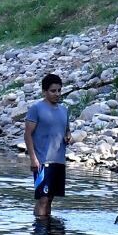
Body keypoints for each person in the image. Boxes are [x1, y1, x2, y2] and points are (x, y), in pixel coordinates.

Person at [25, 73, 71, 219]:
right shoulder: (36, 109)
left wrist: (68, 136)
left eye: (59, 90)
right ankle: (39, 232)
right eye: (53, 91)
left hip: (59, 160)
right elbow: (27, 135)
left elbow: (66, 130)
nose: (57, 94)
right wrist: (33, 159)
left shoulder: (64, 110)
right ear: (44, 91)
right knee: (43, 198)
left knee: (50, 198)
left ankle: (47, 232)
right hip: (42, 161)